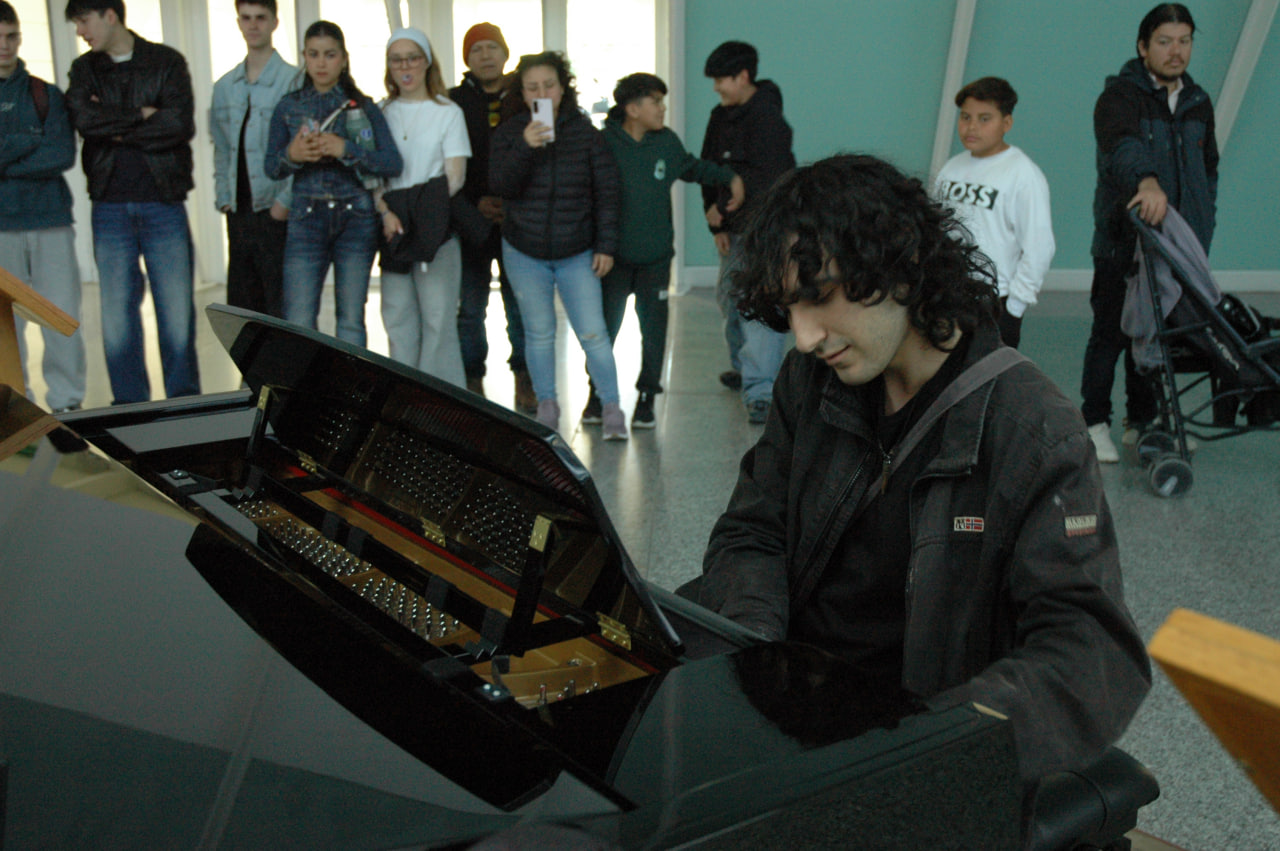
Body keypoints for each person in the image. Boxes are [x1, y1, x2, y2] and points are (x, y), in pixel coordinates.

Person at [696, 155, 1150, 809]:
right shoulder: (815, 380)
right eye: (792, 305)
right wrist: (756, 656)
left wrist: (925, 747)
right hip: (795, 714)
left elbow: (1090, 655)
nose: (803, 336)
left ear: (902, 265)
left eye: (820, 296)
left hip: (914, 743)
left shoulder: (1030, 427)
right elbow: (752, 529)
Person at [1082, 3, 1217, 462]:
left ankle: (1141, 424)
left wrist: (1201, 228)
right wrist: (1146, 181)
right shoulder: (1119, 98)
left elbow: (1208, 171)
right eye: (1164, 41)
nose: (1176, 51)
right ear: (1143, 47)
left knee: (1155, 338)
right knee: (1111, 335)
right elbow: (1122, 147)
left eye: (1184, 41)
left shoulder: (1198, 103)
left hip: (1176, 250)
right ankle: (1093, 423)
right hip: (1124, 242)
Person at [582, 72, 743, 429]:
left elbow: (693, 167)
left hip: (655, 260)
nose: (662, 108)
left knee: (653, 332)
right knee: (604, 331)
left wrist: (729, 178)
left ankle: (647, 397)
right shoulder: (604, 142)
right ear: (632, 108)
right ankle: (597, 394)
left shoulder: (665, 143)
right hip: (613, 261)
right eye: (655, 101)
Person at [64, 0, 200, 404]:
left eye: (84, 21)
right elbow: (83, 121)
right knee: (117, 320)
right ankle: (129, 410)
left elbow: (179, 124)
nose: (80, 32)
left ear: (110, 15)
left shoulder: (166, 61)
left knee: (176, 317)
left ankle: (185, 406)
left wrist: (113, 125)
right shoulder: (84, 70)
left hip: (163, 202)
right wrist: (141, 115)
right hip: (109, 207)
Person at [489, 51, 625, 440]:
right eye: (533, 87)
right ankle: (547, 406)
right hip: (523, 248)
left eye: (549, 85)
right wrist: (526, 146)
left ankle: (612, 406)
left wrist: (606, 245)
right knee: (539, 332)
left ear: (563, 89)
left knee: (593, 333)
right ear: (523, 91)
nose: (542, 93)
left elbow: (607, 193)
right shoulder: (512, 131)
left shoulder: (585, 133)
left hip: (578, 250)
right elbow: (501, 185)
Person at [265, 20, 402, 348]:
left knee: (351, 319)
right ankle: (302, 397)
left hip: (357, 218)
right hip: (305, 218)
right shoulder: (288, 106)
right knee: (298, 319)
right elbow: (271, 167)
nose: (321, 62)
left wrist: (346, 149)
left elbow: (392, 162)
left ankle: (351, 398)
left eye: (329, 54)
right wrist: (293, 154)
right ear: (304, 58)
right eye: (314, 55)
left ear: (343, 58)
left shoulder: (363, 105)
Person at [700, 40, 795, 425]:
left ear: (743, 76)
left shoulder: (769, 119)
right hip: (732, 230)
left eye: (722, 79)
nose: (716, 87)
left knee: (759, 308)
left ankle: (761, 391)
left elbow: (770, 182)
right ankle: (746, 369)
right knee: (730, 301)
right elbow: (708, 169)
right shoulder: (719, 115)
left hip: (767, 232)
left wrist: (726, 206)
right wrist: (716, 225)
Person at [0, 0, 85, 413]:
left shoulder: (45, 95)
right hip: (1, 227)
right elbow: (39, 151)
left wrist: (5, 155)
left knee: (61, 317)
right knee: (4, 327)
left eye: (11, 36)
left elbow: (61, 155)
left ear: (19, 36)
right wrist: (24, 142)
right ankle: (14, 404)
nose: (5, 45)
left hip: (50, 221)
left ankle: (67, 405)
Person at [373, 27, 469, 387]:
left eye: (412, 57)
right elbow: (372, 175)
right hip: (392, 226)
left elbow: (454, 177)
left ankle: (438, 407)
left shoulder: (448, 112)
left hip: (434, 228)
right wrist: (386, 212)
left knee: (438, 320)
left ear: (427, 62)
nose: (405, 66)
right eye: (396, 59)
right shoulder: (380, 112)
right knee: (398, 317)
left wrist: (417, 211)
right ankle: (401, 402)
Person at [449, 23, 534, 412]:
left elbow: (539, 156)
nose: (485, 55)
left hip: (519, 222)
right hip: (470, 221)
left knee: (521, 306)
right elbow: (446, 164)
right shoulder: (451, 102)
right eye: (476, 49)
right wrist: (475, 202)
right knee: (470, 306)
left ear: (505, 53)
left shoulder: (528, 98)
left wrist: (512, 201)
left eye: (492, 48)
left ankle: (525, 377)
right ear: (466, 58)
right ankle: (472, 381)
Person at [934, 76, 1054, 350]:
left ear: (1007, 123)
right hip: (950, 294)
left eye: (984, 118)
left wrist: (1014, 308)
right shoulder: (951, 169)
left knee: (987, 378)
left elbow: (1039, 247)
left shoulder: (1023, 174)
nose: (971, 127)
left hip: (994, 301)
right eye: (965, 117)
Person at [210, 0, 296, 319]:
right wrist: (223, 197)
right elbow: (220, 147)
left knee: (280, 305)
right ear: (238, 22)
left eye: (261, 18)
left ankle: (282, 371)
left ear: (275, 22)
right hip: (239, 211)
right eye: (246, 18)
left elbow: (300, 150)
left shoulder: (293, 81)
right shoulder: (224, 87)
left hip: (276, 210)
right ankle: (250, 371)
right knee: (244, 309)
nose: (253, 25)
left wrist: (284, 203)